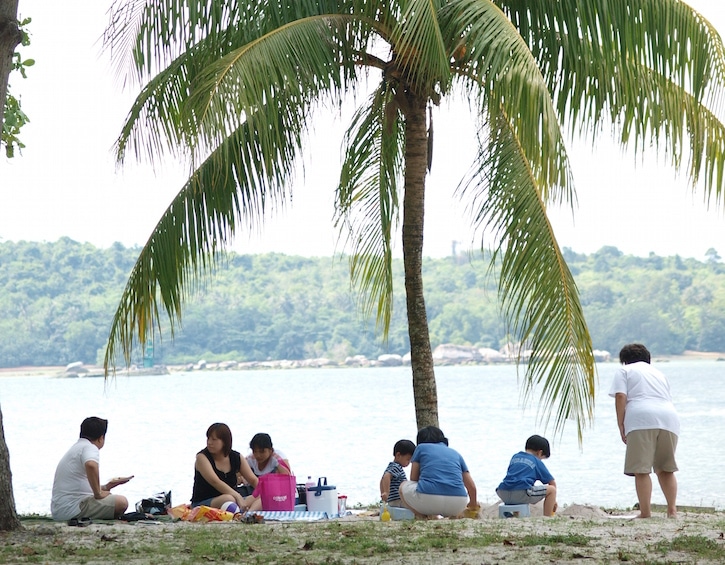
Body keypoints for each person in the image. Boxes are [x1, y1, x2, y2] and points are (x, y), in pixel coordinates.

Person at [609, 343, 680, 518]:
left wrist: (621, 424)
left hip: (641, 418)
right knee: (666, 468)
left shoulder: (624, 371)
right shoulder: (659, 374)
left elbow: (620, 396)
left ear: (625, 361)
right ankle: (672, 510)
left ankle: (645, 513)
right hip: (669, 419)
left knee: (641, 469)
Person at [51, 417, 131, 521]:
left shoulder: (77, 447)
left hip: (61, 510)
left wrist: (108, 486)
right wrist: (98, 493)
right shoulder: (90, 447)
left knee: (113, 499)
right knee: (122, 502)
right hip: (73, 509)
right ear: (101, 438)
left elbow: (81, 488)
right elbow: (91, 465)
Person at [398, 426, 478, 518]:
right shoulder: (456, 453)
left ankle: (422, 516)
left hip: (428, 499)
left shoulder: (420, 448)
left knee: (403, 486)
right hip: (458, 503)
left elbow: (414, 478)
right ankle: (452, 515)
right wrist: (473, 505)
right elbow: (472, 487)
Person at [191, 423, 258, 510]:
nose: (209, 442)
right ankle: (240, 509)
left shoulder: (236, 457)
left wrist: (266, 491)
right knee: (228, 499)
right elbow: (215, 482)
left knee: (262, 495)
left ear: (224, 442)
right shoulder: (202, 458)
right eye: (208, 438)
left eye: (214, 439)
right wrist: (237, 496)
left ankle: (246, 513)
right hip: (205, 502)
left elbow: (253, 480)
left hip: (234, 499)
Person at [495, 434, 557, 516]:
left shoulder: (515, 457)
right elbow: (552, 483)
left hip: (503, 492)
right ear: (540, 453)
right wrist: (553, 501)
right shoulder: (536, 461)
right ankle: (547, 517)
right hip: (521, 492)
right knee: (552, 490)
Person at [380, 439, 416, 507]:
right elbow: (386, 476)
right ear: (398, 455)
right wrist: (386, 492)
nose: (409, 462)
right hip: (398, 500)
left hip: (393, 501)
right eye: (408, 459)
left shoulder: (391, 466)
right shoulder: (396, 467)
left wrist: (383, 494)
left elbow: (382, 480)